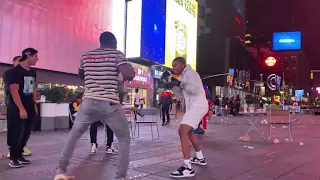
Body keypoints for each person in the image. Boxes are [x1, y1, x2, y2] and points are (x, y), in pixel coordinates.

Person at [54, 31, 135, 180]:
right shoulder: (116, 54)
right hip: (109, 104)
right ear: (114, 43)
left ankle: (61, 171)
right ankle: (120, 177)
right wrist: (128, 67)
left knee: (74, 135)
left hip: (88, 102)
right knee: (123, 138)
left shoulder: (86, 55)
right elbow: (128, 75)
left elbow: (81, 75)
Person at [167, 57, 208, 178]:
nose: (173, 68)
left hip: (198, 105)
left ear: (182, 65)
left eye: (175, 65)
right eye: (173, 66)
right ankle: (200, 158)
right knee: (188, 131)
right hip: (194, 106)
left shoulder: (191, 73)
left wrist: (179, 83)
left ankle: (187, 167)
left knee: (182, 130)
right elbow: (182, 95)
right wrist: (173, 86)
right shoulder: (184, 76)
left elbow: (194, 90)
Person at [7, 48, 39, 168]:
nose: (37, 59)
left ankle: (20, 154)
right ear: (28, 56)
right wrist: (21, 108)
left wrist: (34, 104)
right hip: (17, 107)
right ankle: (13, 158)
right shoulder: (14, 72)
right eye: (35, 56)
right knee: (17, 132)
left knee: (26, 132)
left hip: (29, 105)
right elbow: (14, 91)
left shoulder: (33, 72)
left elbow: (33, 88)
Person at [4, 56, 33, 158]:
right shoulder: (9, 73)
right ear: (13, 62)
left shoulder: (27, 74)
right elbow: (12, 90)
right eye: (19, 61)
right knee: (14, 128)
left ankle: (20, 148)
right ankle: (12, 150)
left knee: (25, 129)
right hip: (13, 105)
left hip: (26, 105)